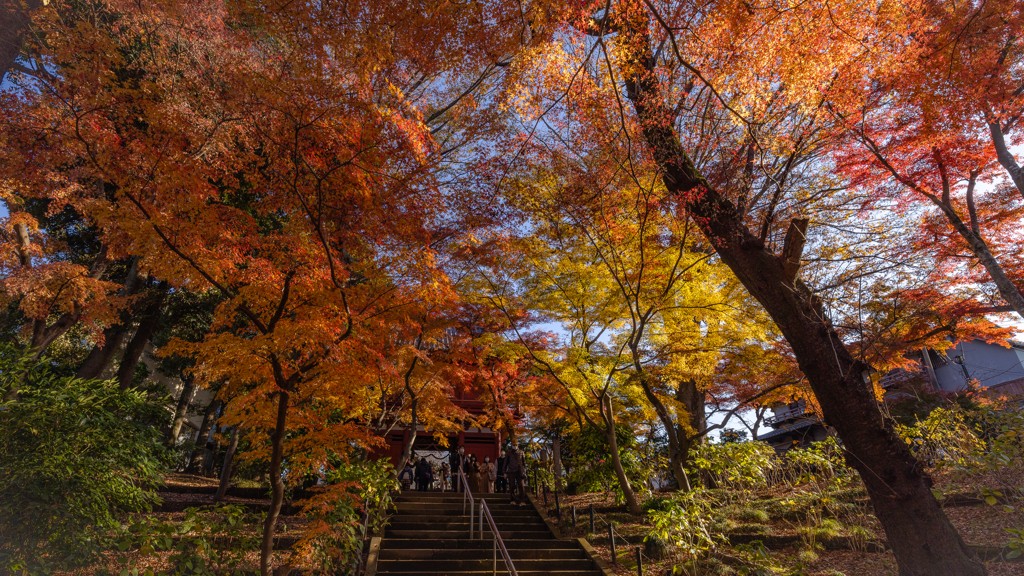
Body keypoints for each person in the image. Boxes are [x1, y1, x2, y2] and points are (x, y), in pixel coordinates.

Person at [505, 439, 527, 506]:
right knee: (511, 486)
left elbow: (524, 463)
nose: (515, 446)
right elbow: (505, 463)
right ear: (511, 445)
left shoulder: (521, 452)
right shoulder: (508, 453)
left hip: (519, 471)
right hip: (511, 471)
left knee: (521, 486)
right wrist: (504, 472)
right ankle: (513, 500)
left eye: (516, 445)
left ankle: (522, 501)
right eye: (514, 445)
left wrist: (524, 471)